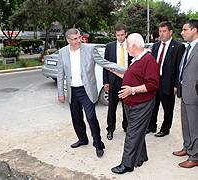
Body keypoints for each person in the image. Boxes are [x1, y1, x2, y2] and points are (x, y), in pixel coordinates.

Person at [57, 28, 126, 158]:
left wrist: (125, 70)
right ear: (68, 40)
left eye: (79, 37)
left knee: (91, 118)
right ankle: (83, 139)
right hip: (72, 91)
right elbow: (60, 74)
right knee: (76, 119)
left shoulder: (89, 50)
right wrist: (61, 93)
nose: (79, 41)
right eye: (75, 39)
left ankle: (98, 144)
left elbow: (104, 63)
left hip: (86, 90)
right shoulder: (62, 53)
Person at [110, 33, 159, 174]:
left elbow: (152, 85)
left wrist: (132, 90)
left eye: (127, 45)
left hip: (142, 104)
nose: (125, 48)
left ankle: (127, 165)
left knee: (131, 133)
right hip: (131, 103)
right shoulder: (136, 59)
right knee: (138, 131)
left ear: (133, 46)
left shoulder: (148, 60)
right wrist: (115, 72)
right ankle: (142, 157)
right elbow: (132, 76)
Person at [147, 21, 185, 137]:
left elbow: (179, 67)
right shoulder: (156, 45)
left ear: (170, 32)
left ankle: (165, 129)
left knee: (168, 108)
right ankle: (152, 126)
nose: (161, 34)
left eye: (164, 31)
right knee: (153, 106)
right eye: (160, 31)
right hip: (155, 81)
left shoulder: (178, 47)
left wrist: (176, 85)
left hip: (168, 82)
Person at [173, 19, 198, 168]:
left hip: (194, 93)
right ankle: (188, 148)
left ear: (194, 30)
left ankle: (194, 156)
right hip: (184, 91)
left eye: (185, 30)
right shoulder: (188, 47)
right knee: (186, 123)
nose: (182, 33)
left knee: (194, 126)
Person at [103, 24, 133, 140]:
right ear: (115, 34)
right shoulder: (110, 47)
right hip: (113, 81)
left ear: (126, 34)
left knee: (127, 106)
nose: (120, 37)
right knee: (112, 107)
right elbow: (105, 64)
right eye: (118, 35)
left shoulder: (130, 46)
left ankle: (126, 127)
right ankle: (110, 129)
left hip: (127, 80)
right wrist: (106, 81)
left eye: (122, 35)